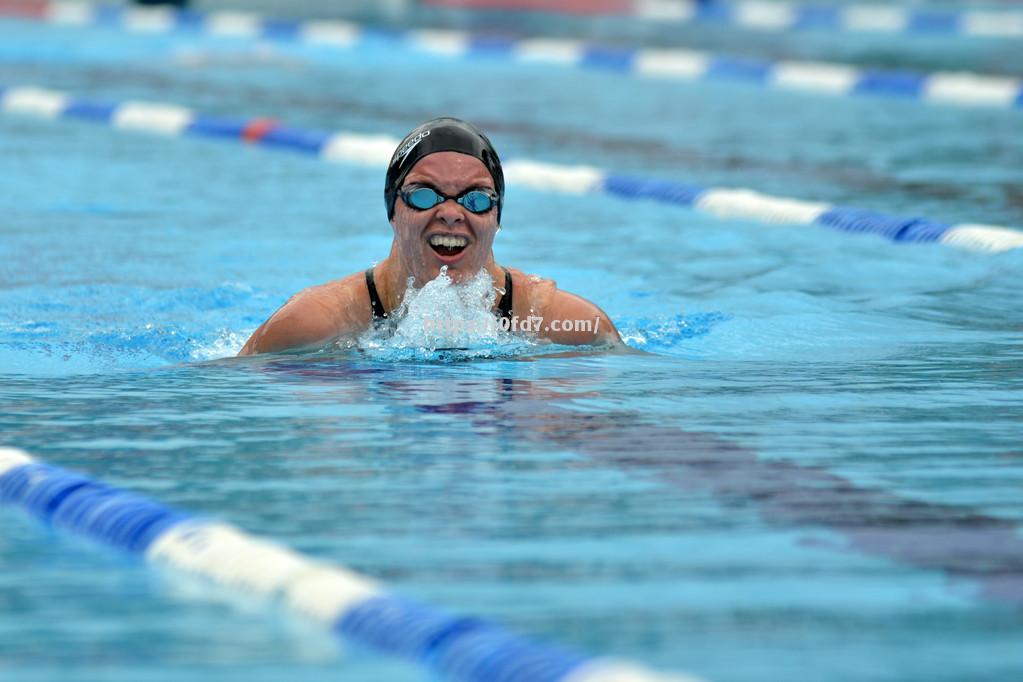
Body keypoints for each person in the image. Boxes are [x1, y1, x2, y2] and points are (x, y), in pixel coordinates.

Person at [238, 117, 621, 356]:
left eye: (475, 199)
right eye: (425, 195)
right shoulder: (316, 322)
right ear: (393, 211)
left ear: (496, 217)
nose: (451, 214)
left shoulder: (565, 323)